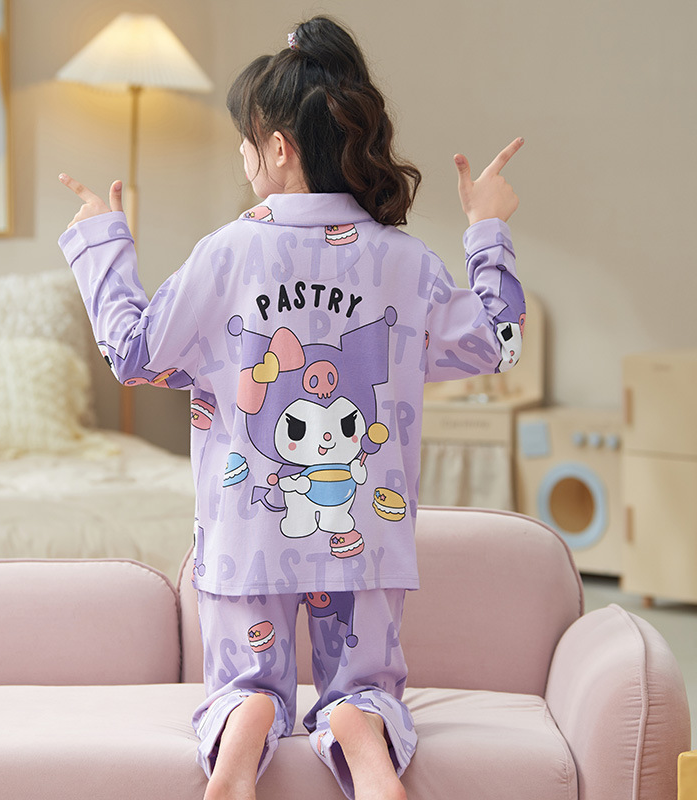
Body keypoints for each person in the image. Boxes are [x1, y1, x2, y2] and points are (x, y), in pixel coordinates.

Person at [59, 16, 524, 800]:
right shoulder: (404, 260)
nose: (241, 158)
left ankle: (246, 719)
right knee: (366, 682)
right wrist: (488, 228)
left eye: (246, 142)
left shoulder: (227, 252)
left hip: (247, 532)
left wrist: (104, 244)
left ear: (278, 147)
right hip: (365, 537)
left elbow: (138, 356)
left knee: (244, 680)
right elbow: (495, 344)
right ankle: (361, 725)